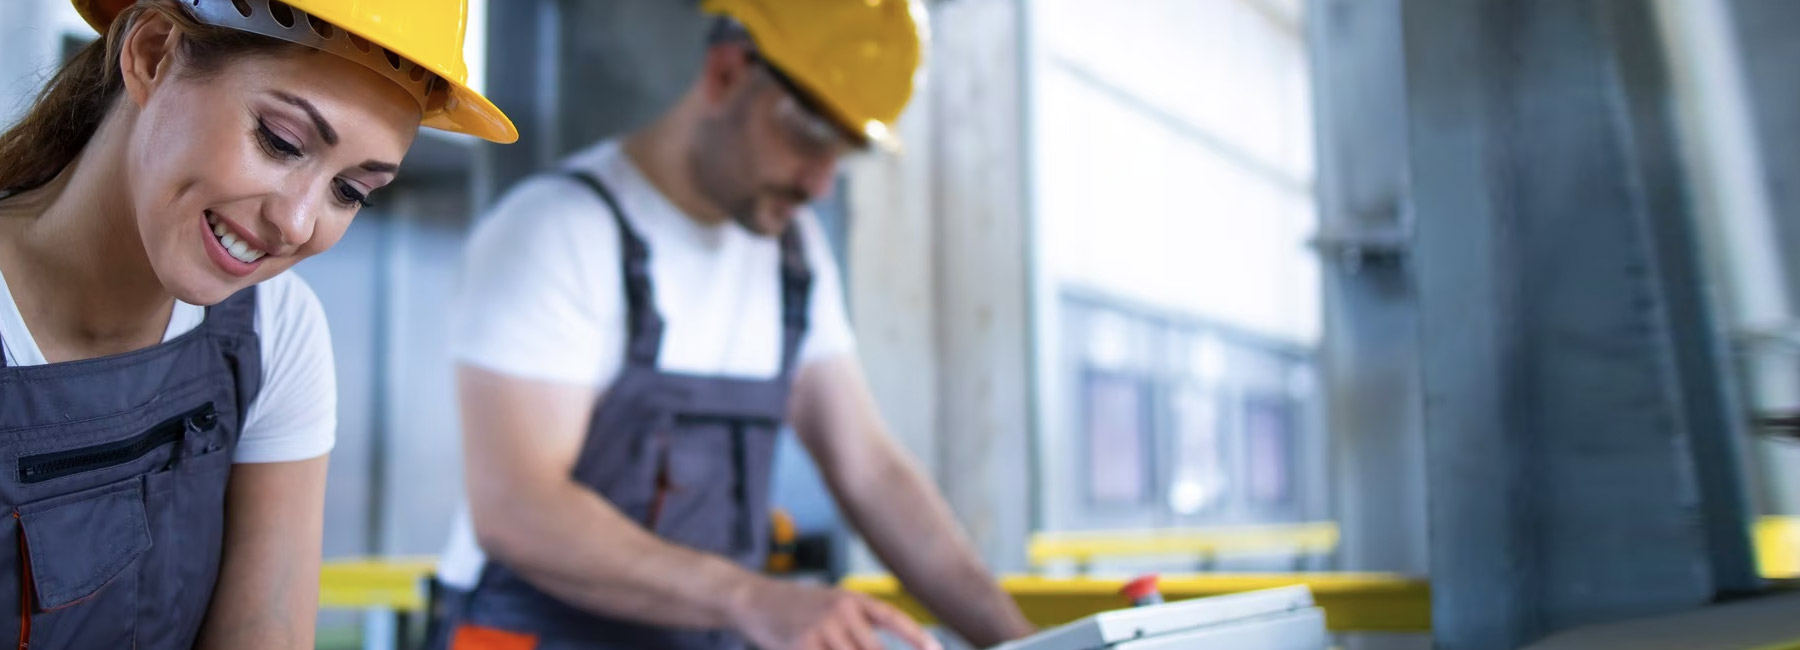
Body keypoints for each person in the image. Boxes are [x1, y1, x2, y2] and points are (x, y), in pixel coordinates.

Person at [433, 1, 1037, 649]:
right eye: (810, 138)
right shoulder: (556, 231)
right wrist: (751, 598)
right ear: (726, 74)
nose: (821, 184)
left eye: (844, 155)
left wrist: (1021, 642)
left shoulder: (792, 253)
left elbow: (872, 471)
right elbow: (517, 508)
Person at [0, 0, 514, 647]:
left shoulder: (277, 330)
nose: (298, 223)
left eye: (350, 191)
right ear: (153, 54)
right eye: (282, 141)